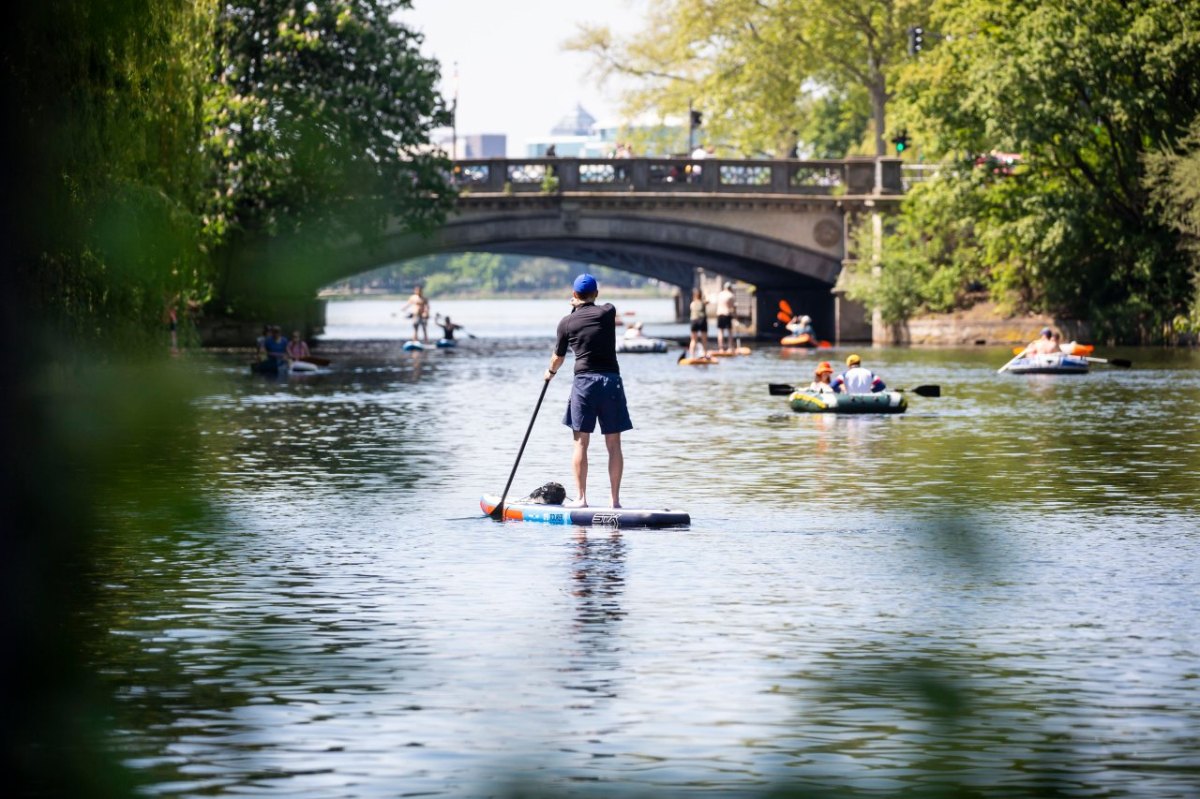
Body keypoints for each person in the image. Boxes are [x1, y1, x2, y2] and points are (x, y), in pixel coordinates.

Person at [544, 273, 633, 509]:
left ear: (574, 295)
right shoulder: (607, 312)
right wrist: (582, 303)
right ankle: (615, 501)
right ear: (596, 294)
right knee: (614, 444)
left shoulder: (566, 323)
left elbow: (558, 358)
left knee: (580, 443)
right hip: (610, 381)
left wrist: (549, 374)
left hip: (584, 383)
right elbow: (605, 304)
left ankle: (582, 499)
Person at [715, 281, 737, 352]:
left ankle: (721, 348)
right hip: (727, 314)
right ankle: (730, 348)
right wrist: (735, 316)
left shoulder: (720, 294)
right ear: (730, 288)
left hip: (719, 314)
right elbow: (732, 307)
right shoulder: (730, 295)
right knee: (729, 332)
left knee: (720, 331)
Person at [688, 287, 709, 358]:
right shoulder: (703, 302)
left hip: (694, 320)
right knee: (704, 340)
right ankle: (705, 354)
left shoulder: (692, 303)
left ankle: (692, 356)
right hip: (702, 320)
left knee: (693, 340)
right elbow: (707, 301)